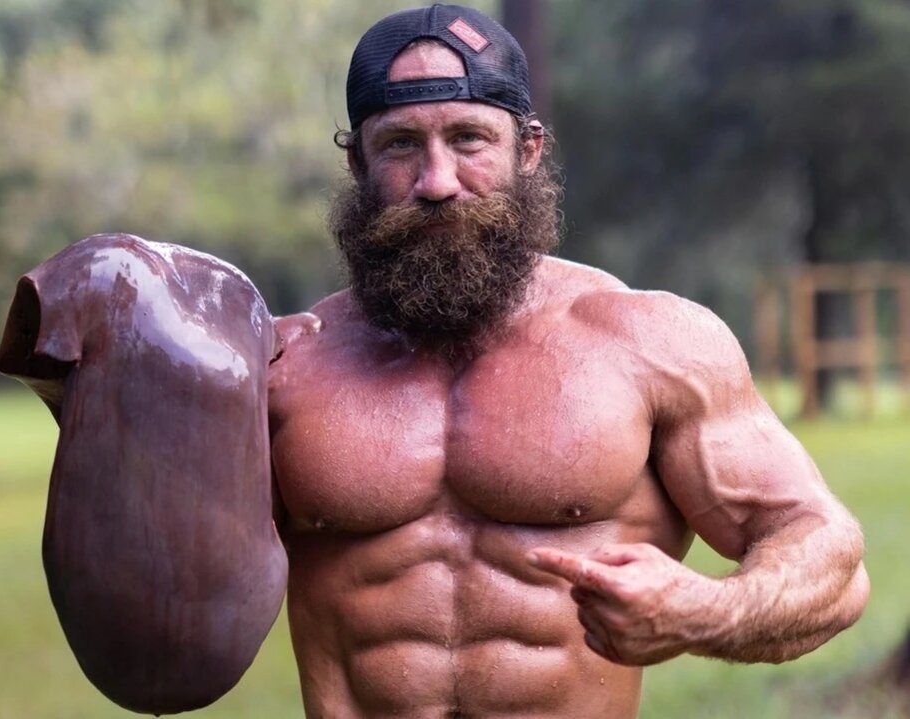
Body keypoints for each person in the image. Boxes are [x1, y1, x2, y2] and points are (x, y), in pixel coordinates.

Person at [264, 4, 869, 718]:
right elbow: (169, 589)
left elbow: (830, 560)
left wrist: (702, 611)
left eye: (469, 138)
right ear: (357, 163)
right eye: (399, 145)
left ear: (528, 150)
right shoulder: (285, 364)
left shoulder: (649, 343)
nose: (437, 181)